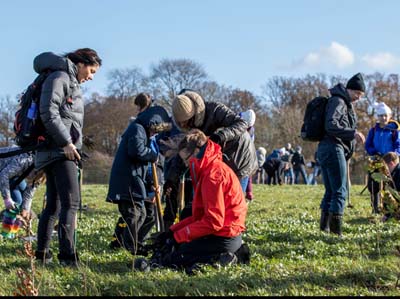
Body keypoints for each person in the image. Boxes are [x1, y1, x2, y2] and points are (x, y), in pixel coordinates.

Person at [34, 48, 102, 266]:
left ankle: (42, 254)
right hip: (61, 151)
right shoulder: (61, 77)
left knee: (53, 205)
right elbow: (48, 112)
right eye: (91, 71)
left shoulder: (65, 78)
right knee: (70, 203)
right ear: (80, 63)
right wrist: (67, 142)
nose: (91, 77)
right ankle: (67, 257)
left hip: (56, 150)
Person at [147, 129, 248, 271]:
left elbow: (213, 222)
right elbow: (200, 217)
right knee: (176, 249)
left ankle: (224, 258)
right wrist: (172, 231)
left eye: (186, 160)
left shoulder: (213, 175)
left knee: (175, 259)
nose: (186, 164)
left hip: (224, 236)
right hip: (222, 233)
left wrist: (179, 236)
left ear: (195, 153)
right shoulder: (210, 169)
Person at [106, 105, 171, 257]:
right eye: (155, 130)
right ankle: (130, 246)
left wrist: (153, 184)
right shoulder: (137, 129)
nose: (155, 134)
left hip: (134, 180)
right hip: (126, 181)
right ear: (152, 123)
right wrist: (153, 155)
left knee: (141, 214)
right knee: (134, 214)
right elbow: (136, 150)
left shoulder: (144, 133)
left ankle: (133, 243)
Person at [170, 89, 258, 192]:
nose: (184, 126)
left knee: (233, 200)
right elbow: (183, 151)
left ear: (193, 114)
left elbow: (242, 123)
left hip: (240, 158)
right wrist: (171, 179)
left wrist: (220, 136)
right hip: (218, 164)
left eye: (186, 122)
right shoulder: (186, 127)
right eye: (181, 123)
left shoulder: (215, 109)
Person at [317, 72, 366, 236]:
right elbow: (331, 125)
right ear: (350, 90)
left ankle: (324, 228)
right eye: (357, 94)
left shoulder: (339, 100)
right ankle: (335, 232)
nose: (358, 98)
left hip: (326, 148)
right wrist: (352, 133)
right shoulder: (339, 101)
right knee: (340, 191)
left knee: (330, 190)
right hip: (333, 148)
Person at [0, 147, 44, 238]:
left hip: (15, 174)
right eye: (35, 173)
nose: (34, 176)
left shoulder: (42, 173)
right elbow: (3, 175)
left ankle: (14, 231)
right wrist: (7, 198)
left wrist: (26, 209)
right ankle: (6, 233)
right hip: (4, 170)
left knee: (22, 202)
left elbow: (29, 193)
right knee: (17, 202)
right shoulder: (25, 160)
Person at [364, 102, 400, 214]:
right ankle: (375, 208)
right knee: (374, 184)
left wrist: (393, 155)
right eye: (381, 116)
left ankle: (390, 208)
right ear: (377, 117)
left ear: (389, 116)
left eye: (385, 115)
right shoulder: (374, 130)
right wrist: (374, 152)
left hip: (390, 162)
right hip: (376, 160)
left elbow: (398, 145)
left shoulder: (394, 131)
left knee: (389, 184)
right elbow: (368, 144)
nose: (383, 118)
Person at [240, 109, 256, 201]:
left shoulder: (249, 131)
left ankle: (243, 195)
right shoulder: (252, 130)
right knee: (247, 173)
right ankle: (246, 194)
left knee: (245, 173)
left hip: (244, 155)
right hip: (247, 155)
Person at [382, 152, 400, 221]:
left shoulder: (397, 174)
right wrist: (387, 214)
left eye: (385, 167)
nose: (385, 170)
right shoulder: (392, 175)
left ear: (391, 164)